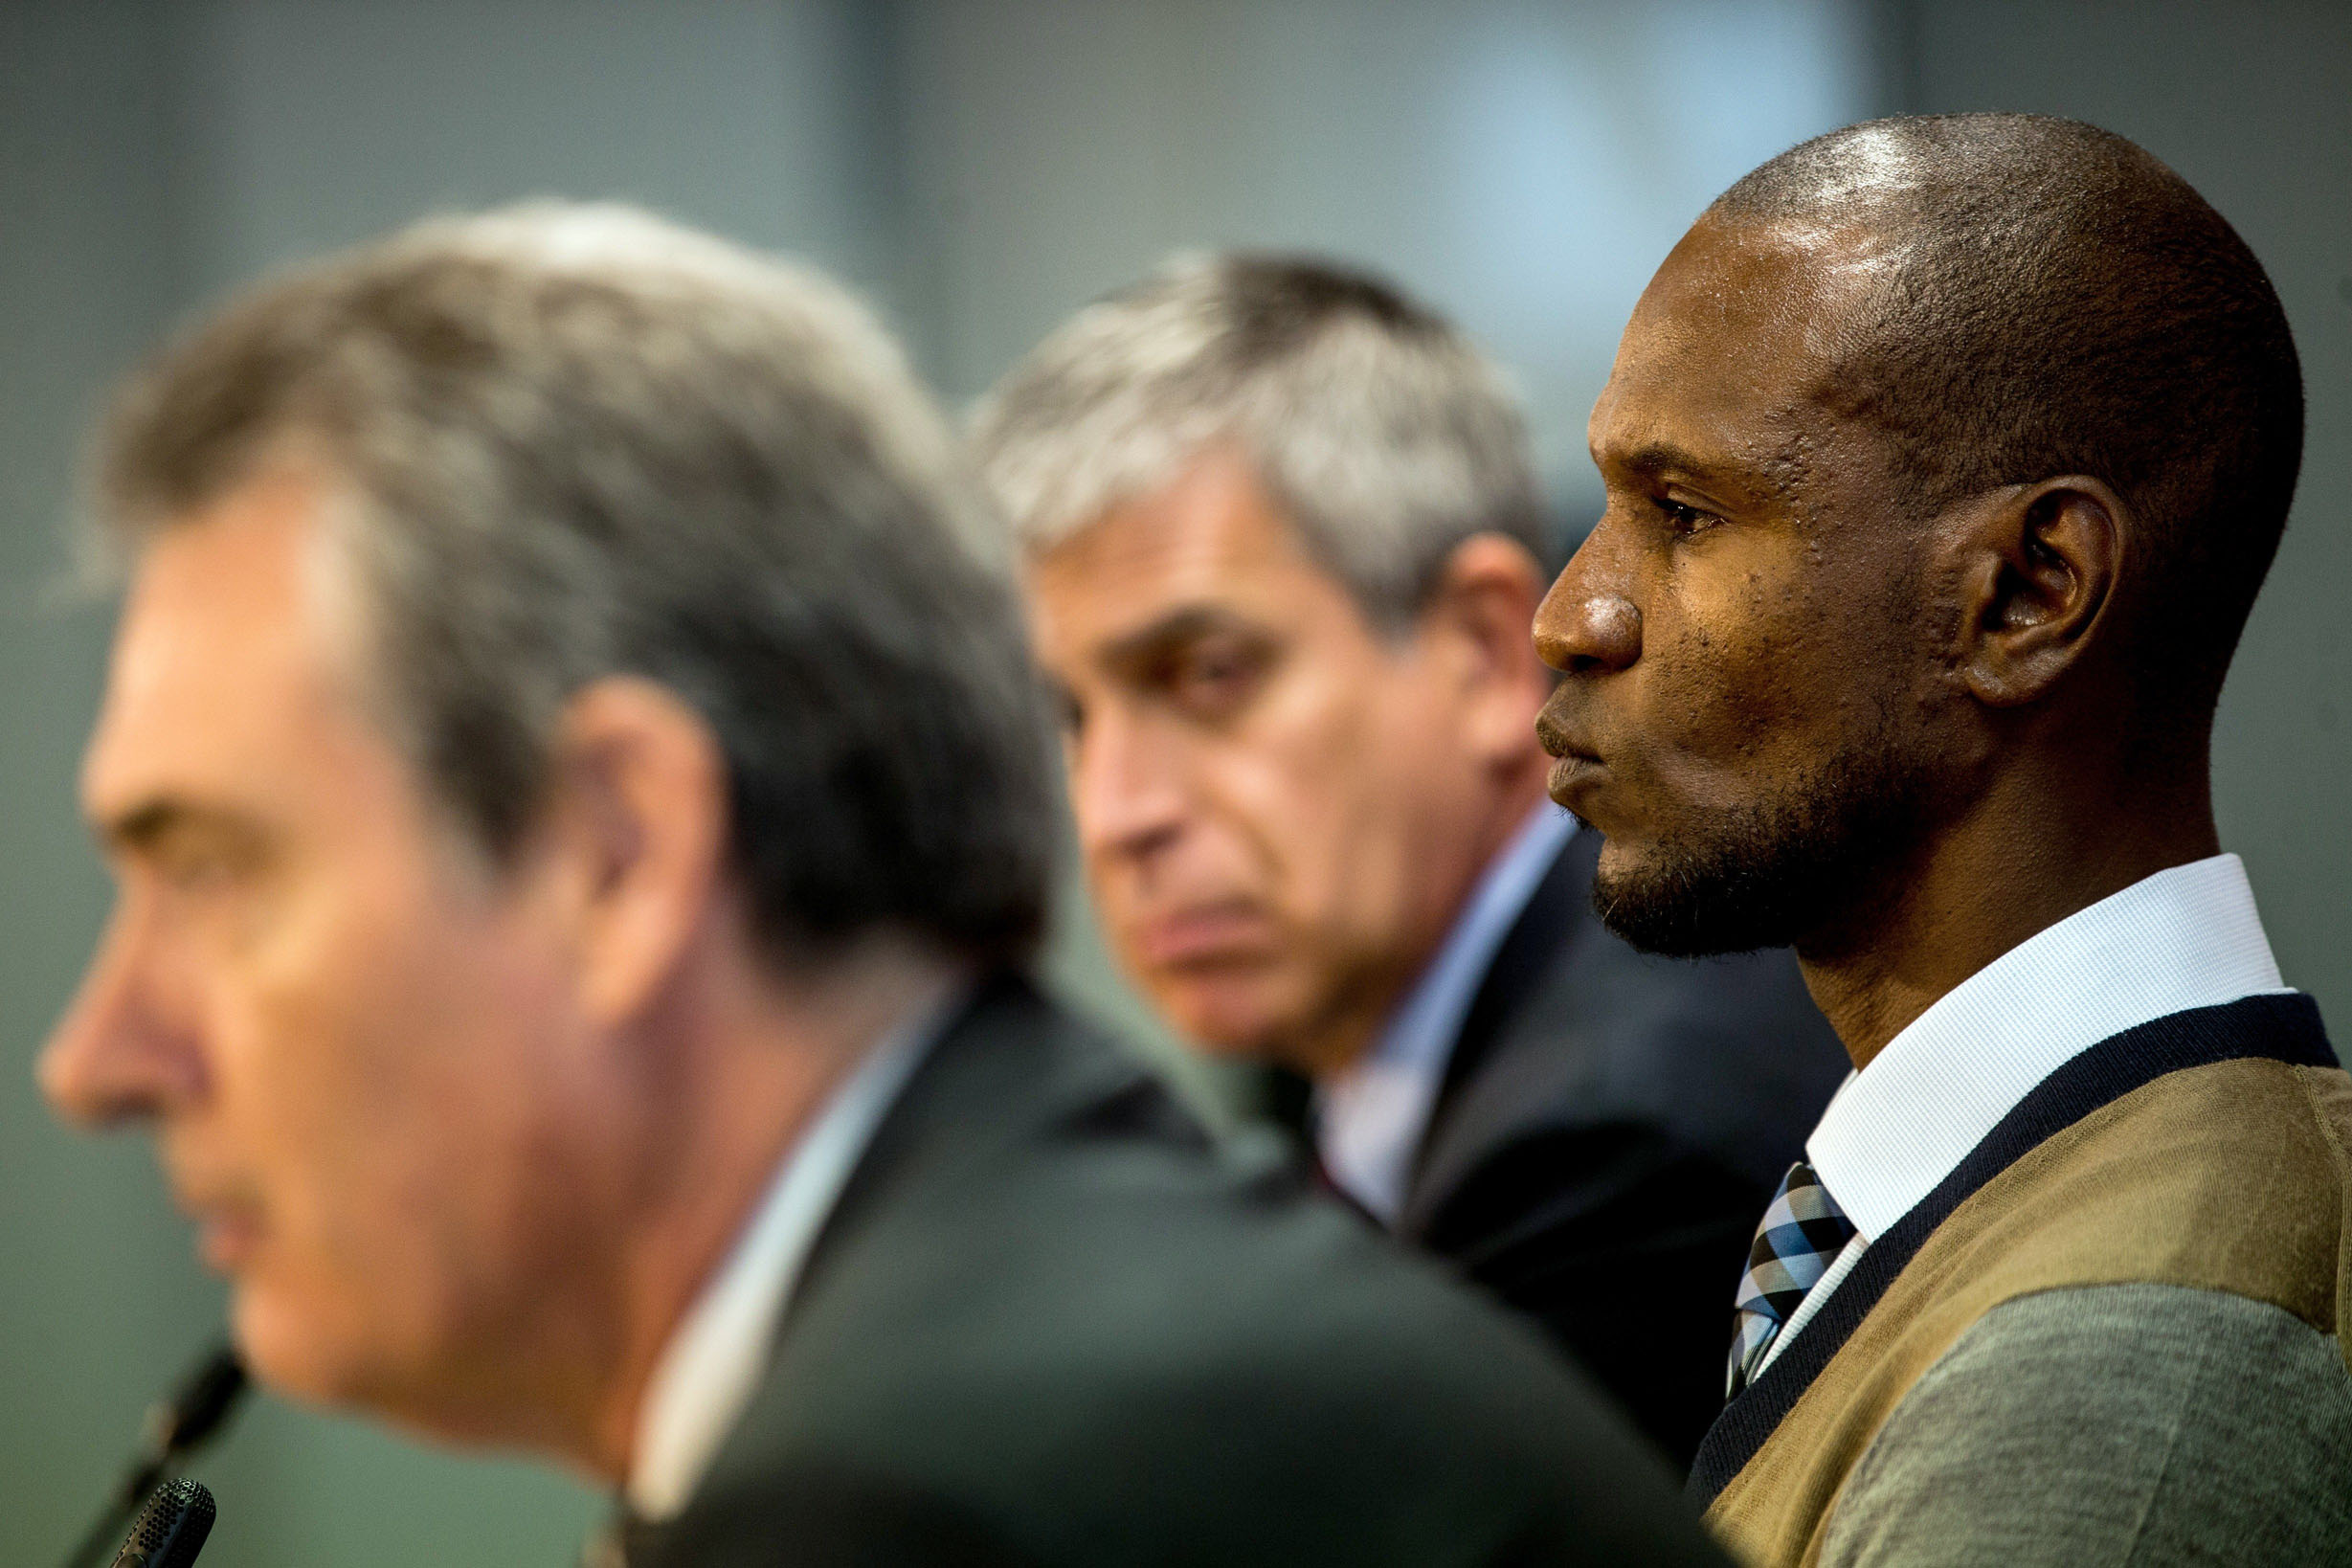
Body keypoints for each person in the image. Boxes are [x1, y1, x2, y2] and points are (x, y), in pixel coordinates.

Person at [37, 203, 1725, 1568]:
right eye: (1065, 716)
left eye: (216, 871)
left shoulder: (920, 1488)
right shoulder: (1020, 1279)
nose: (93, 1056)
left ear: (619, 849)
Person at [1536, 112, 2352, 1565]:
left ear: (2026, 592)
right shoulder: (2019, 1196)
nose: (1572, 614)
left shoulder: (2110, 1380)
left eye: (1683, 512)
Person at [974, 256, 1848, 1466]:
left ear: (1483, 652)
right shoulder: (1377, 1053)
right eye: (1071, 716)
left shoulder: (1612, 1153)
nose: (1117, 813)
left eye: (1209, 675)